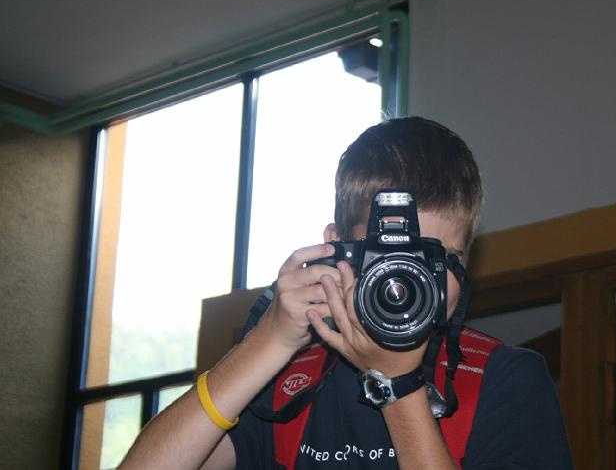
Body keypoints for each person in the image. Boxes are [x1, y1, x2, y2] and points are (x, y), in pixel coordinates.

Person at [121, 116, 573, 469]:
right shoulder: (287, 386)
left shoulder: (504, 378)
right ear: (335, 248)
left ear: (465, 260)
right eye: (387, 256)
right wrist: (268, 343)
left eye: (435, 258)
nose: (405, 280)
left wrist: (399, 387)